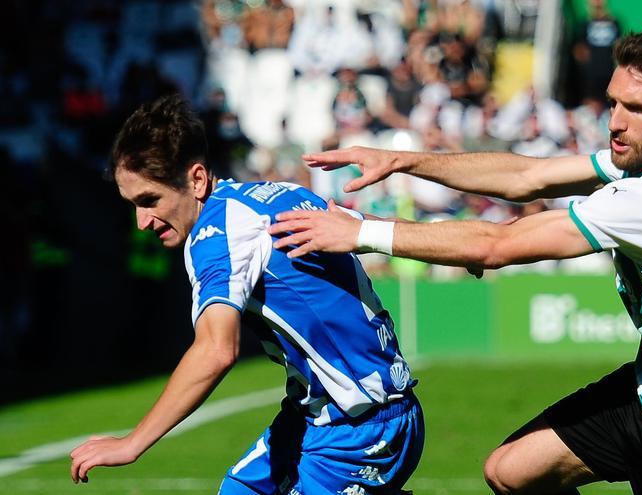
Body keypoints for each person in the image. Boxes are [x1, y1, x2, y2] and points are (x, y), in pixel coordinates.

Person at [269, 31, 642, 494]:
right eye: (612, 104)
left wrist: (362, 232)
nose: (616, 123)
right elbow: (527, 179)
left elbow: (495, 245)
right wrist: (405, 160)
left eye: (636, 108)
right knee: (511, 471)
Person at [68, 95, 424, 495]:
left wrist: (132, 443)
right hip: (315, 418)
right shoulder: (277, 193)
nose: (142, 222)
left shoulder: (215, 234)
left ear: (197, 180)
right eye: (132, 205)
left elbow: (216, 350)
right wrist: (455, 246)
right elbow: (372, 227)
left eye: (150, 201)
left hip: (361, 431)